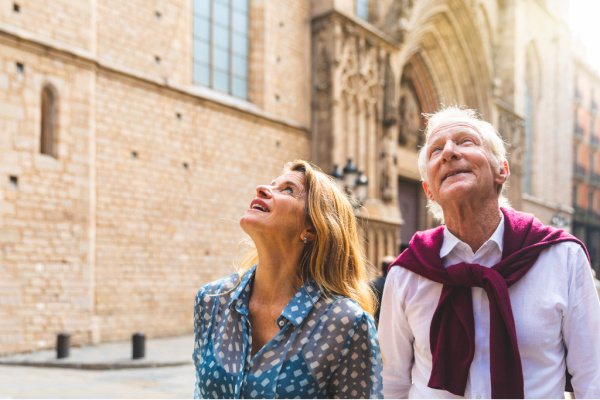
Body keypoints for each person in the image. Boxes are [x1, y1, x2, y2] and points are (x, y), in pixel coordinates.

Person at [379, 106, 600, 399]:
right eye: (435, 150)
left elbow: (593, 375)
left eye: (465, 141)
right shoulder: (408, 271)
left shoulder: (562, 258)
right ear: (429, 190)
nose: (448, 152)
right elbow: (391, 381)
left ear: (502, 170)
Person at [193, 160, 383, 399]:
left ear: (311, 229)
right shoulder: (212, 300)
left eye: (288, 189)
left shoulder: (346, 323)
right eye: (273, 185)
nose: (262, 188)